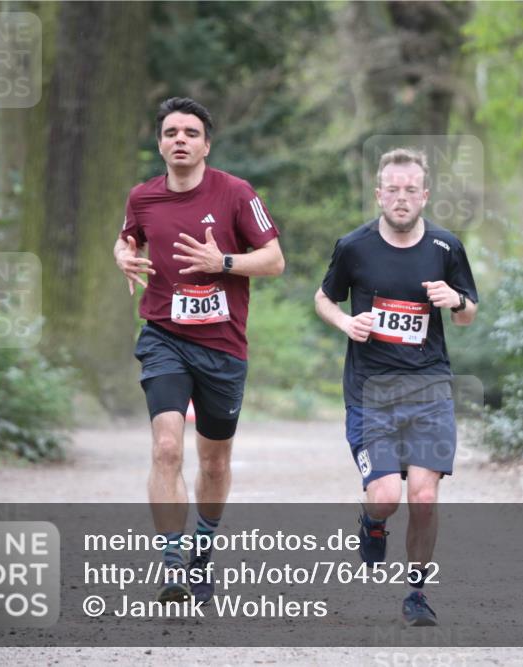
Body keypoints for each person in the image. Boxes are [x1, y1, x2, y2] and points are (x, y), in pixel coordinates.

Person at [113, 97, 284, 603]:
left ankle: (203, 554)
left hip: (223, 346)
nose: (180, 139)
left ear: (206, 144)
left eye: (190, 132)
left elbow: (274, 261)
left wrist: (223, 262)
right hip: (164, 335)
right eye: (170, 132)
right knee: (167, 446)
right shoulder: (142, 197)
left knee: (213, 462)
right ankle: (172, 564)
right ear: (161, 144)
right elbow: (127, 239)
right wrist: (123, 255)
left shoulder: (236, 193)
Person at [314, 148, 478, 626]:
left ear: (424, 195)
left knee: (424, 498)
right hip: (372, 392)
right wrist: (345, 322)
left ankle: (417, 593)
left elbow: (468, 316)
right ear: (378, 194)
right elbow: (323, 298)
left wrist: (457, 301)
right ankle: (372, 521)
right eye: (393, 189)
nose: (402, 198)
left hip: (429, 389)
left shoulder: (446, 248)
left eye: (411, 190)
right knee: (386, 495)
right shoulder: (354, 247)